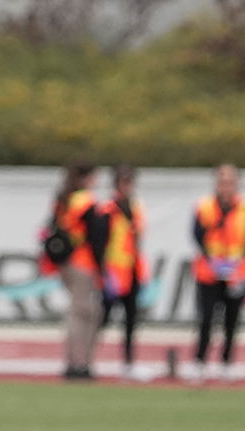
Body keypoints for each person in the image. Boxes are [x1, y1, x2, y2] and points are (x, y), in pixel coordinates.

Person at [191, 162, 245, 382]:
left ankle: (227, 363)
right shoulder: (204, 206)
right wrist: (213, 259)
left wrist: (238, 264)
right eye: (222, 181)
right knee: (207, 319)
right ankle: (200, 362)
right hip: (209, 273)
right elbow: (197, 235)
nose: (226, 186)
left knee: (232, 320)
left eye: (230, 182)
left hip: (236, 273)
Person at [41, 160, 109, 379]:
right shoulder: (86, 201)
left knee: (79, 310)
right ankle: (79, 363)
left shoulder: (63, 198)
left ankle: (75, 360)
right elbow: (96, 238)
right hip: (83, 262)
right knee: (83, 312)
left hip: (65, 264)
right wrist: (102, 267)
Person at [99, 162, 152, 381]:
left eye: (130, 181)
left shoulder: (136, 207)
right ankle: (88, 358)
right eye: (124, 181)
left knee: (131, 320)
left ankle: (128, 363)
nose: (127, 186)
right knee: (104, 317)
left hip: (132, 270)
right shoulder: (106, 209)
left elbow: (138, 238)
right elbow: (100, 242)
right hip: (112, 272)